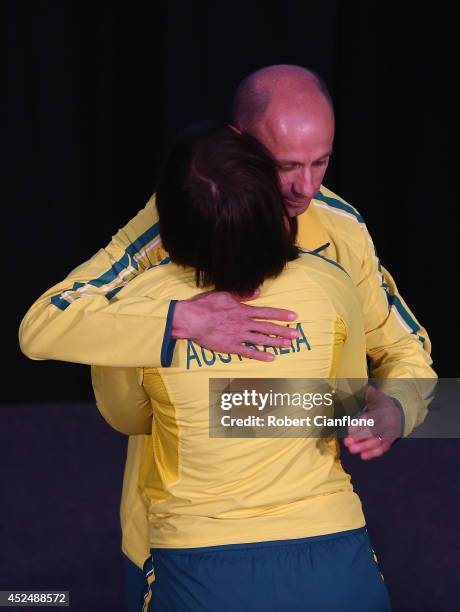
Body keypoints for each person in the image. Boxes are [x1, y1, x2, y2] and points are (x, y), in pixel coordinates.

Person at [19, 64, 435, 607]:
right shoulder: (168, 222)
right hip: (175, 541)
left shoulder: (341, 230)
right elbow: (47, 324)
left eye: (321, 162)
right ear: (238, 144)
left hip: (314, 533)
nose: (304, 188)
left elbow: (403, 355)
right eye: (285, 165)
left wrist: (398, 407)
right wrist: (180, 321)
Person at [92, 121, 391, 611]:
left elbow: (127, 417)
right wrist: (250, 402)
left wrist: (217, 402)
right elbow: (346, 401)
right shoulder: (330, 283)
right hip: (336, 555)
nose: (307, 186)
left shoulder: (136, 304)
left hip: (201, 563)